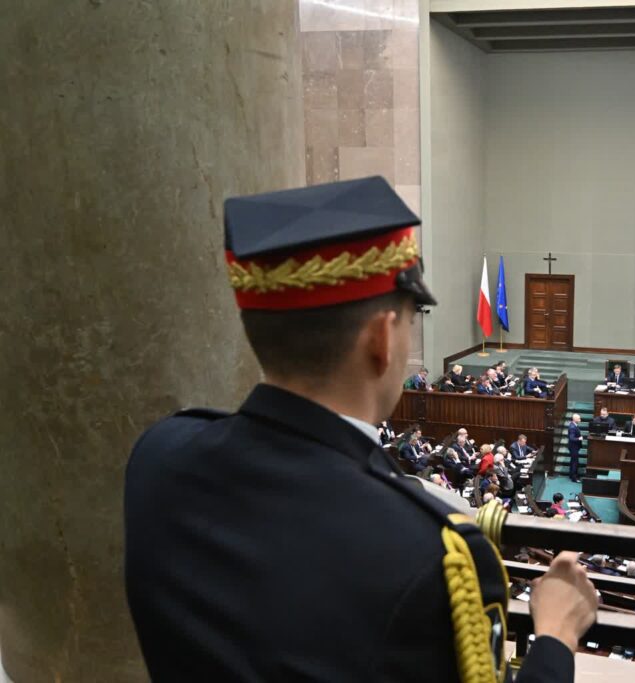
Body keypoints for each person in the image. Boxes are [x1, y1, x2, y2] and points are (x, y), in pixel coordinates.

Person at [124, 177, 596, 681]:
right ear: (381, 339)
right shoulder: (430, 556)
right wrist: (555, 636)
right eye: (411, 319)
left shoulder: (159, 459)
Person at [568, 413, 583, 483]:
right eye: (579, 418)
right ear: (575, 419)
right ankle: (574, 478)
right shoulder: (572, 427)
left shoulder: (573, 425)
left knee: (573, 461)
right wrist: (579, 439)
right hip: (573, 447)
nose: (580, 419)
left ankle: (571, 475)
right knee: (575, 462)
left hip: (573, 447)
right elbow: (571, 438)